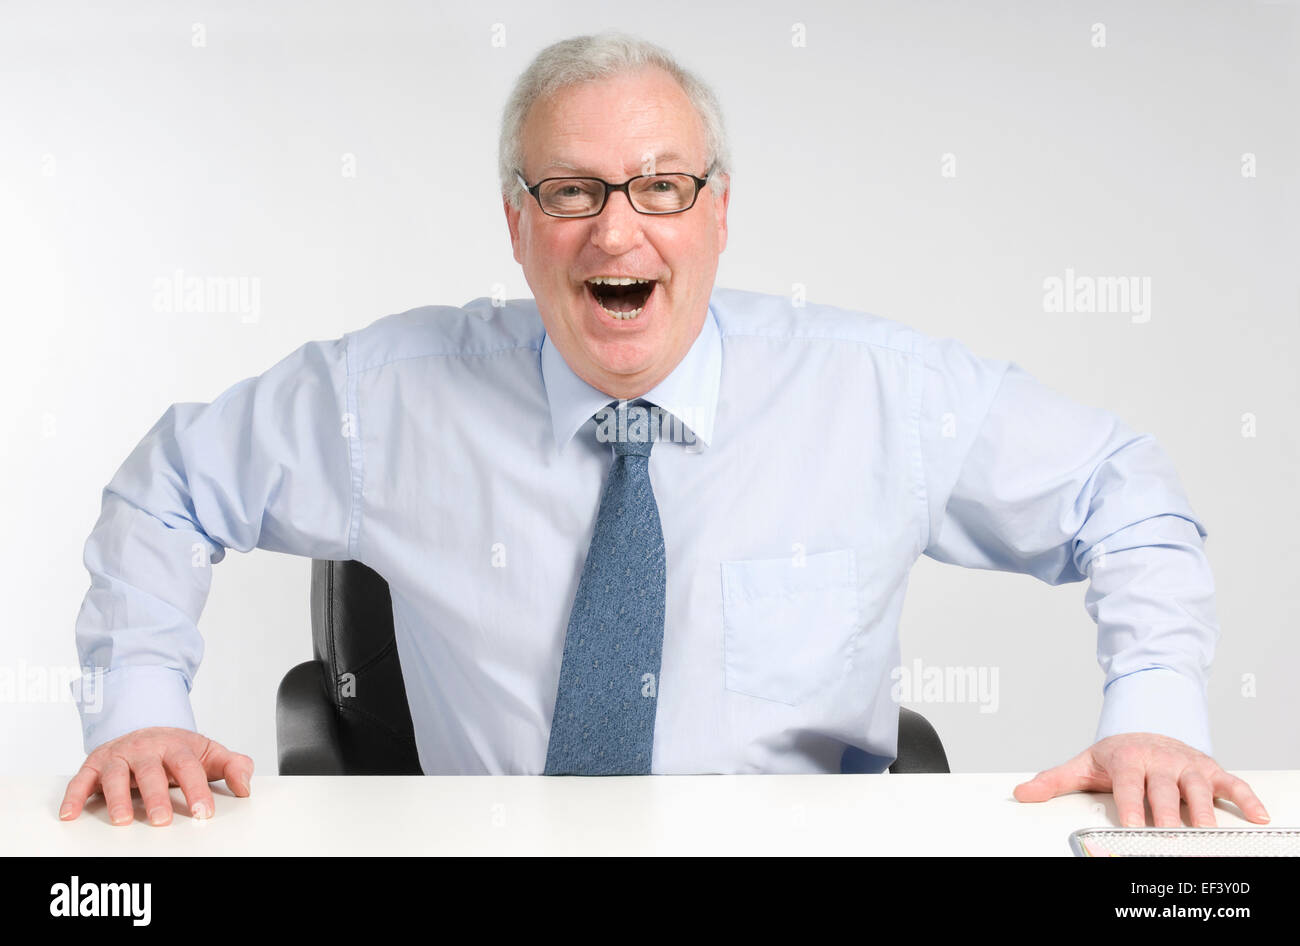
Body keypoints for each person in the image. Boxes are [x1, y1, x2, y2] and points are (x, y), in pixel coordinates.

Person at [60, 32, 1269, 830]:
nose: (616, 231)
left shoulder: (874, 395)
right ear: (517, 224)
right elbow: (168, 484)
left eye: (660, 187)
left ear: (719, 213)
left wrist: (1153, 711)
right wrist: (138, 711)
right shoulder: (392, 398)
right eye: (571, 192)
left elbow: (1125, 491)